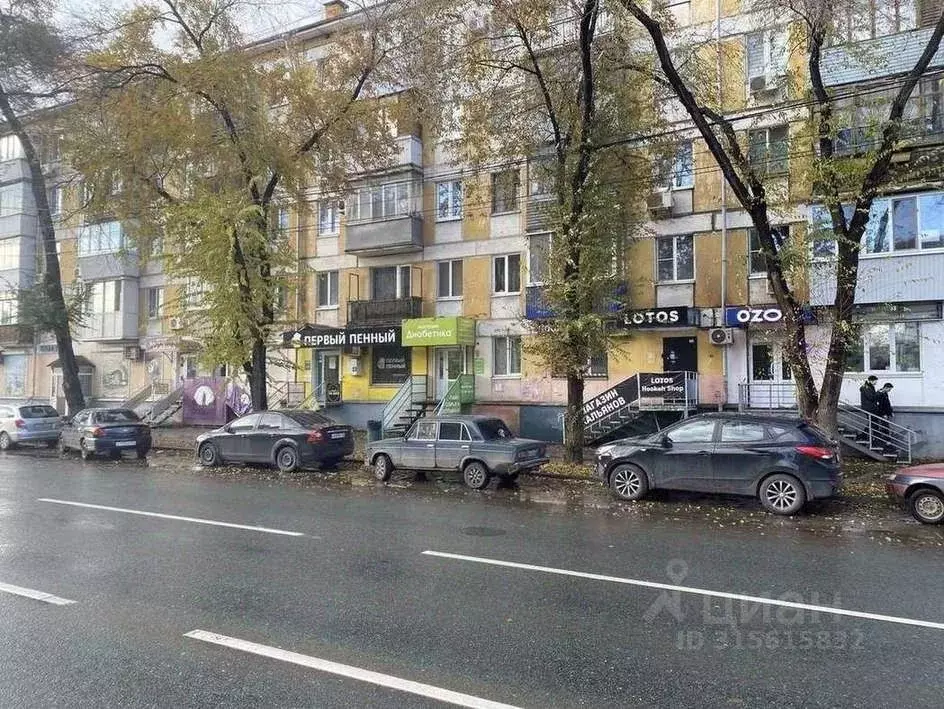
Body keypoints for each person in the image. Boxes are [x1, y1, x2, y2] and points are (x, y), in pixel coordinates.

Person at [875, 383, 894, 452]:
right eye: (889, 389)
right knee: (885, 427)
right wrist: (883, 414)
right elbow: (880, 406)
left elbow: (887, 404)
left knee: (886, 427)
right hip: (882, 414)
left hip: (885, 414)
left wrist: (890, 412)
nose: (890, 390)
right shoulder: (879, 394)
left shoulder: (885, 393)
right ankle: (887, 442)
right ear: (886, 387)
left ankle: (887, 441)